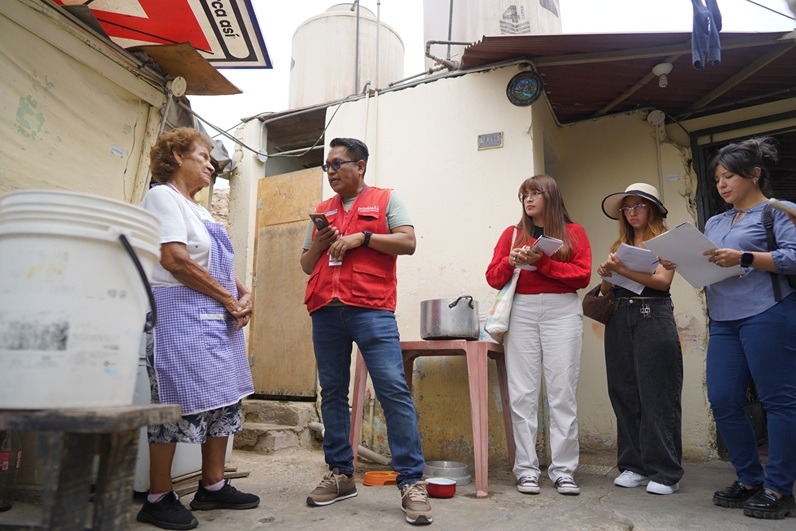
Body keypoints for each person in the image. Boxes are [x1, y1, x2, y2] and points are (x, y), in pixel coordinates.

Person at [300, 137, 432, 526]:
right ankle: (341, 474)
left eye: (338, 164)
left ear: (360, 166)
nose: (332, 171)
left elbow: (408, 243)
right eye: (328, 166)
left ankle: (411, 481)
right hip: (326, 310)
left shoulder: (387, 199)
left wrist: (365, 237)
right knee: (333, 395)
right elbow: (306, 265)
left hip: (371, 311)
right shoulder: (322, 210)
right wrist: (321, 244)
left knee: (392, 389)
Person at [662, 137, 796, 519]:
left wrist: (746, 256)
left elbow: (794, 257)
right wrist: (682, 260)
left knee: (779, 402)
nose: (721, 185)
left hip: (768, 312)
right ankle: (750, 479)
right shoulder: (716, 221)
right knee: (722, 399)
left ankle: (779, 488)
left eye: (729, 176)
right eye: (717, 178)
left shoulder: (779, 212)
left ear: (754, 175)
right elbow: (709, 265)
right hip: (723, 320)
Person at [138, 127, 259, 530]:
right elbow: (175, 259)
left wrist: (244, 295)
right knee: (173, 403)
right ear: (176, 154)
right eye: (203, 155)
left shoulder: (201, 209)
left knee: (224, 400)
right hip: (179, 315)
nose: (211, 164)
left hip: (215, 316)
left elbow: (218, 264)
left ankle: (213, 485)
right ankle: (157, 496)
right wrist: (228, 300)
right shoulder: (162, 197)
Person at [485, 175, 591, 496]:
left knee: (562, 391)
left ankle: (563, 470)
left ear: (551, 196)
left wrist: (542, 262)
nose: (528, 200)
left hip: (562, 312)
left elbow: (582, 276)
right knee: (522, 393)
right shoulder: (513, 233)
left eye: (535, 194)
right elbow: (492, 276)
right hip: (523, 311)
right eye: (524, 196)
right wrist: (511, 260)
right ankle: (527, 470)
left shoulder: (574, 233)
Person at [598, 183, 683, 495]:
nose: (632, 212)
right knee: (623, 390)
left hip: (653, 314)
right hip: (619, 315)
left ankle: (665, 471)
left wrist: (623, 270)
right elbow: (608, 289)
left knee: (657, 393)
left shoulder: (666, 241)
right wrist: (607, 275)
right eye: (627, 207)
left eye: (639, 206)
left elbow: (662, 282)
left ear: (653, 208)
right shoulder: (619, 244)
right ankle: (634, 465)